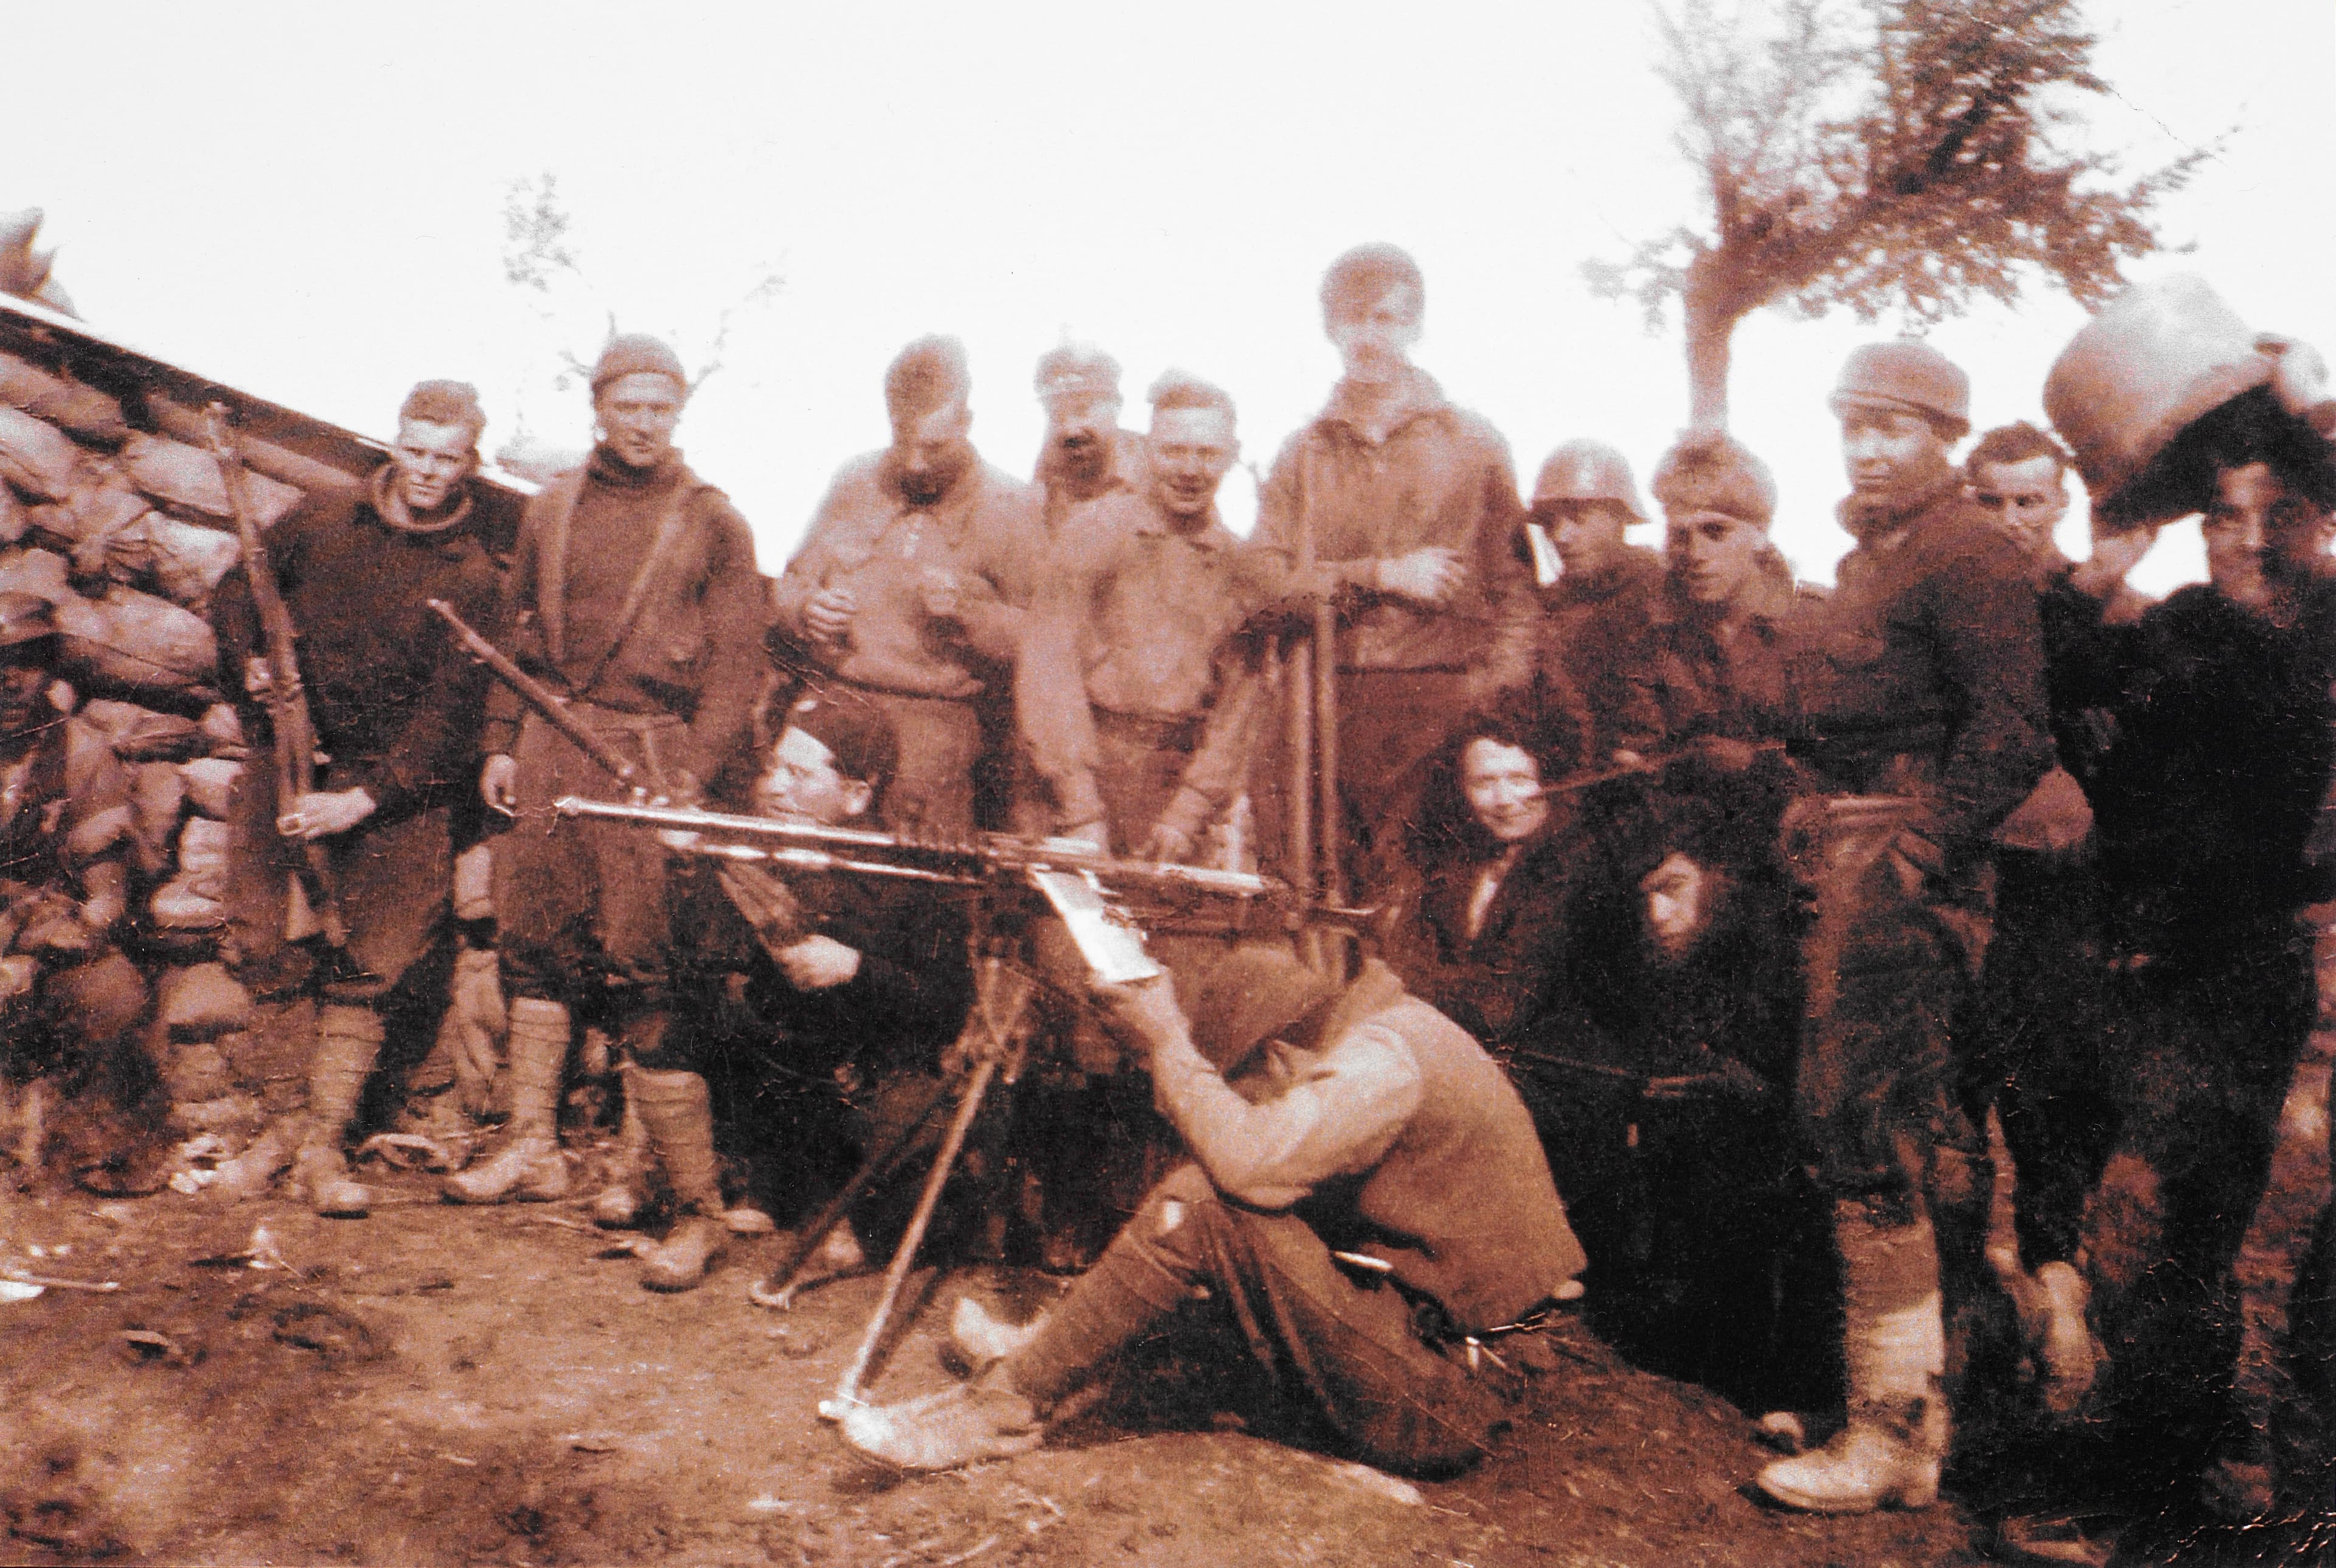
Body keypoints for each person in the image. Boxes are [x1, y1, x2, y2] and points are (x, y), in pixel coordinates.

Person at [836, 940, 1587, 1477]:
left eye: (1250, 1083)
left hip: (1454, 1398)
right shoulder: (1383, 1033)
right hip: (1445, 1349)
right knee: (1223, 1213)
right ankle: (1042, 1353)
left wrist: (1167, 1039)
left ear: (1281, 1057)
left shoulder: (1380, 1062)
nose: (1253, 1099)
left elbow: (1249, 1169)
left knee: (1209, 1203)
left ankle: (1001, 1405)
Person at [1754, 341, 2053, 1514]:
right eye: (1854, 423)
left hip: (1907, 871)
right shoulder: (1873, 557)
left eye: (1894, 425)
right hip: (1848, 852)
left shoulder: (1971, 550)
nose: (1869, 445)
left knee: (1862, 1122)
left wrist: (1922, 847)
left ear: (1943, 437)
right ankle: (1906, 1413)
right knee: (1871, 1123)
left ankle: (1888, 1433)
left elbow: (2015, 730)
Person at [2049, 452, 2336, 1544]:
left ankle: (2159, 1491)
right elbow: (2052, 674)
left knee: (2158, 1223)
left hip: (2244, 973)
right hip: (2142, 964)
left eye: (2281, 516)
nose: (2249, 539)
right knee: (2164, 1238)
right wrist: (2102, 560)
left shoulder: (2320, 632)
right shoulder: (2178, 624)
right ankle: (2176, 1461)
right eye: (2224, 515)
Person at [459, 335, 768, 1205]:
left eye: (660, 408)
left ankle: (648, 1164)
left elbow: (740, 668)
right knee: (534, 936)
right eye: (627, 406)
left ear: (680, 414)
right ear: (598, 408)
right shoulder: (551, 506)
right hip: (552, 745)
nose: (643, 425)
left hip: (648, 751)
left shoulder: (713, 519)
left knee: (644, 953)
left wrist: (692, 773)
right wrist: (500, 741)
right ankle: (531, 1143)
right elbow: (516, 638)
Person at [209, 381, 504, 1215]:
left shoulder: (472, 575)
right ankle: (281, 1126)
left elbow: (451, 718)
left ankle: (324, 1143)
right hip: (294, 756)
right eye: (416, 449)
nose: (427, 472)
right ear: (395, 442)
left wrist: (363, 802)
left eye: (447, 458)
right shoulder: (323, 518)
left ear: (469, 463)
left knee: (370, 962)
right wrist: (251, 662)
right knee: (269, 939)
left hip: (397, 790)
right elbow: (238, 593)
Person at [609, 691, 973, 1291]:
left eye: (798, 774)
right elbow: (692, 964)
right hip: (765, 1068)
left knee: (917, 1118)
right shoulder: (745, 844)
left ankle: (843, 1210)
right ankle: (699, 1219)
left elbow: (948, 1004)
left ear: (856, 795)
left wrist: (855, 965)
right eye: (772, 768)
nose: (773, 787)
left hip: (855, 1076)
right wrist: (687, 868)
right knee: (658, 1022)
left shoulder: (906, 873)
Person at [1948, 422, 2149, 1417]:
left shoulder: (2118, 611)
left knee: (2056, 1109)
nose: (2014, 520)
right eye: (1993, 500)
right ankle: (1963, 1331)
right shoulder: (1951, 610)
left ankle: (2062, 1310)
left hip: (2070, 894)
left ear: (2061, 503)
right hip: (1966, 883)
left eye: (2032, 500)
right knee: (1952, 1110)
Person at [1248, 243, 1534, 895]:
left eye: (1386, 318)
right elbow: (1261, 580)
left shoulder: (1473, 444)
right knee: (1328, 895)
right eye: (1354, 320)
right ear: (1330, 328)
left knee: (1428, 892)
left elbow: (1516, 590)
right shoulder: (1305, 454)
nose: (1370, 337)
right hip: (1329, 700)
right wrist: (1378, 574)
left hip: (1439, 705)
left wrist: (1487, 698)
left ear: (1415, 326)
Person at [771, 336, 1045, 834]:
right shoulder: (856, 480)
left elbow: (1042, 641)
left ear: (966, 423)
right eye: (903, 442)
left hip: (933, 737)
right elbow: (789, 584)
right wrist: (808, 609)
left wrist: (971, 613)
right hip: (833, 715)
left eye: (934, 446)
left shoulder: (1012, 505)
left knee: (906, 894)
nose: (916, 463)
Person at [1018, 372, 1276, 862]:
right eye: (1174, 451)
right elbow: (1048, 670)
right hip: (1081, 776)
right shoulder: (1092, 533)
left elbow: (1239, 708)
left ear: (1232, 455)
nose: (1190, 470)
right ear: (1149, 447)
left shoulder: (1240, 568)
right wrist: (1080, 808)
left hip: (1176, 790)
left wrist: (1187, 814)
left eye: (1207, 454)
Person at [0, 591, 153, 1181]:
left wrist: (36, 950)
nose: (11, 682)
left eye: (28, 663)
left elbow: (106, 897)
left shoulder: (83, 753)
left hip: (44, 932)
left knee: (114, 993)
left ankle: (85, 1139)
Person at [1612, 429, 1804, 762]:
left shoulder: (1811, 627)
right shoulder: (1652, 639)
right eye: (1681, 535)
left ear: (1760, 535)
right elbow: (1639, 752)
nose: (1696, 553)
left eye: (1715, 532)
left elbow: (1842, 757)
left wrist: (1756, 763)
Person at [1520, 439, 1664, 769]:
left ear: (1620, 517)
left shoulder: (1666, 594)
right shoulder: (1544, 611)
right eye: (1550, 522)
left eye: (1577, 517)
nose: (1560, 535)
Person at [1031, 343, 1147, 539]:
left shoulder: (1154, 466)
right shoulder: (1047, 473)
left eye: (1082, 411)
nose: (1071, 429)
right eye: (1057, 414)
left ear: (1116, 406)